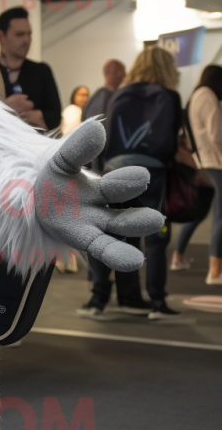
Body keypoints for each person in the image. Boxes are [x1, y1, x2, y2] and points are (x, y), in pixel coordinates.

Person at [82, 46, 182, 319]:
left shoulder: (120, 94)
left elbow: (107, 135)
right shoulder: (169, 96)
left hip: (116, 169)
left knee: (116, 235)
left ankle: (102, 299)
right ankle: (158, 301)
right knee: (156, 237)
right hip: (152, 173)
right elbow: (171, 142)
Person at [0, 7, 62, 130]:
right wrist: (5, 108)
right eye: (20, 34)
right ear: (1, 36)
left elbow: (55, 116)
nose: (27, 40)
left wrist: (38, 116)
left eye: (29, 34)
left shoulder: (41, 71)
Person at [186, 64, 222, 284]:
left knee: (212, 214)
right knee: (220, 215)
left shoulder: (197, 95)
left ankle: (214, 268)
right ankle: (215, 271)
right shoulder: (208, 96)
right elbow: (216, 135)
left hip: (207, 161)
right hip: (216, 162)